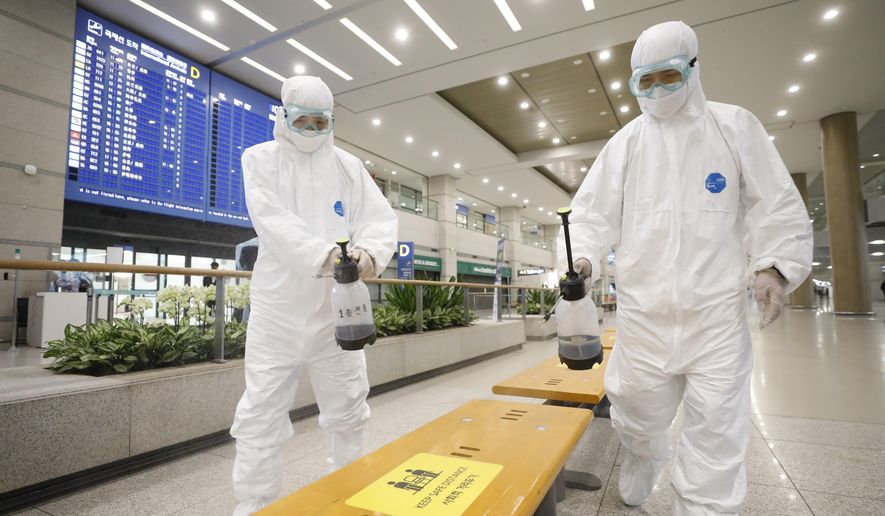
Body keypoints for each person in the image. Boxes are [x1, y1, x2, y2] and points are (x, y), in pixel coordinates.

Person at [561, 21, 812, 514]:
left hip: (715, 318)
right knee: (635, 413)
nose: (656, 90)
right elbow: (590, 214)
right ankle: (642, 455)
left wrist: (774, 268)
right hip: (644, 318)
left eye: (667, 76)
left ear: (693, 69)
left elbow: (776, 205)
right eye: (644, 81)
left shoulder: (735, 127)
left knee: (717, 430)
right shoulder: (628, 142)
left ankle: (702, 507)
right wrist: (583, 259)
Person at [229, 76, 397, 516]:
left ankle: (349, 492)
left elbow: (379, 218)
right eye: (301, 119)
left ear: (331, 120)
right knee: (262, 411)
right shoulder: (259, 159)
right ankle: (254, 503)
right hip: (278, 311)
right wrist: (323, 254)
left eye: (319, 121)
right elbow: (271, 220)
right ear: (283, 117)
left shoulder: (347, 165)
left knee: (348, 408)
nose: (310, 128)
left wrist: (370, 253)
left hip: (336, 311)